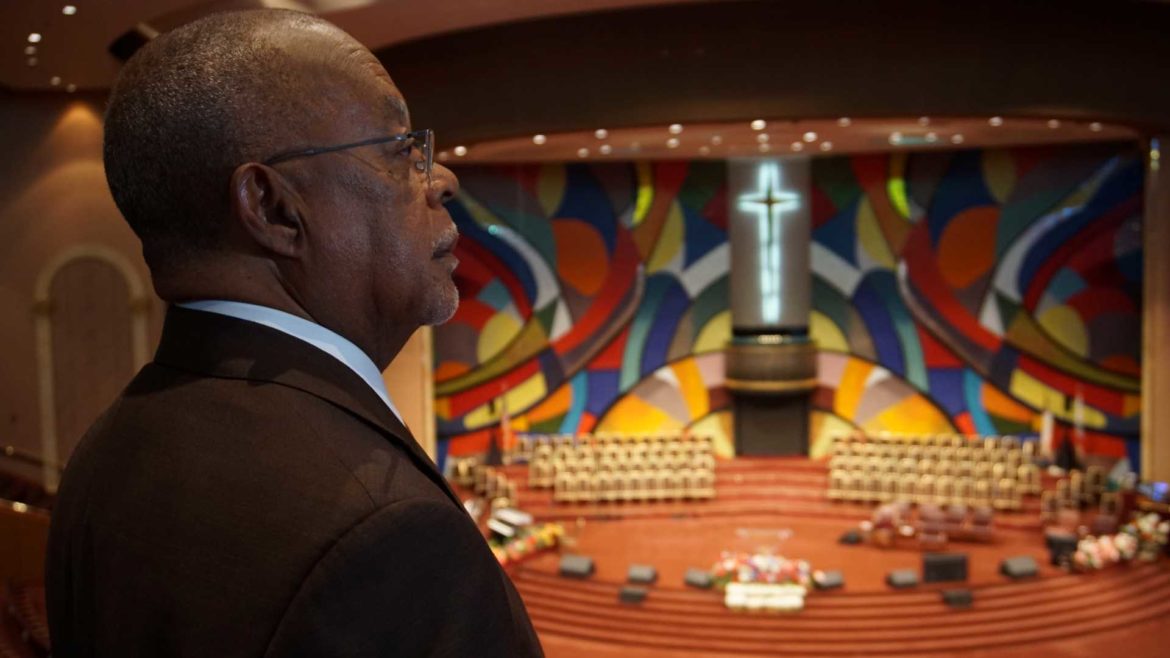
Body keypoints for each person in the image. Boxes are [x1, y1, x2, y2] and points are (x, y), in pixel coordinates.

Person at [45, 9, 543, 657]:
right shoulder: (385, 531)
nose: (441, 179)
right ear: (275, 209)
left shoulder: (103, 455)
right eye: (399, 151)